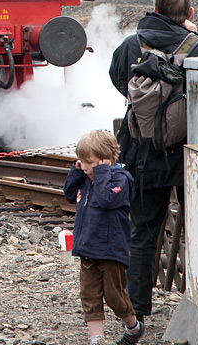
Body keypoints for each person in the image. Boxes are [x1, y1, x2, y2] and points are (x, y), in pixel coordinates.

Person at [109, 0, 198, 322]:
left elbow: (118, 80)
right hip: (191, 153)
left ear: (154, 10)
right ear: (189, 13)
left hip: (142, 153)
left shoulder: (132, 44)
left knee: (142, 234)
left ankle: (137, 314)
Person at [64, 129, 141, 345]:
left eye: (89, 162)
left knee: (114, 295)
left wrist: (102, 173)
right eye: (81, 161)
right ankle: (96, 339)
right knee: (89, 296)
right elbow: (69, 194)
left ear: (106, 160)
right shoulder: (86, 178)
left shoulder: (121, 180)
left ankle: (133, 328)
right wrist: (77, 171)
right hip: (87, 248)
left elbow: (106, 199)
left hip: (110, 250)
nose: (85, 166)